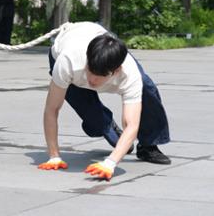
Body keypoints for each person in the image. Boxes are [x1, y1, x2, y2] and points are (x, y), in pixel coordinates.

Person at [38, 22, 171, 181]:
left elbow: (132, 124)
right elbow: (52, 109)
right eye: (90, 71)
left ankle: (148, 144)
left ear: (116, 71)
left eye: (99, 75)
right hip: (69, 50)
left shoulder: (129, 74)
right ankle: (108, 126)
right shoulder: (67, 62)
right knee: (95, 123)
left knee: (147, 88)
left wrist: (110, 163)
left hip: (102, 48)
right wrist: (54, 156)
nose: (92, 80)